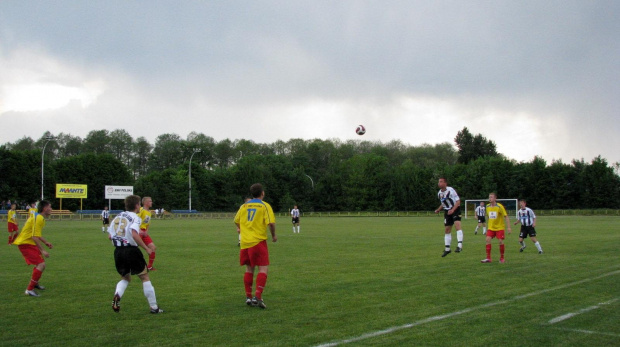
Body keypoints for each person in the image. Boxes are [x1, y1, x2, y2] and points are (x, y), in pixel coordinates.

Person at [108, 195, 163, 314]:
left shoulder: (118, 216)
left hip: (118, 251)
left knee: (125, 278)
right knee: (144, 277)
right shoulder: (135, 217)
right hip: (131, 250)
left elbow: (110, 236)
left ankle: (117, 295)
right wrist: (146, 248)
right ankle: (154, 307)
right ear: (137, 205)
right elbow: (134, 234)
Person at [234, 183, 277, 309]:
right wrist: (274, 236)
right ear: (262, 193)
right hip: (258, 241)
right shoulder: (265, 206)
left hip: (245, 243)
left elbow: (236, 220)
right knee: (263, 269)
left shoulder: (244, 206)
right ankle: (257, 296)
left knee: (249, 269)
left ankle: (248, 296)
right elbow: (271, 223)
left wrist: (241, 229)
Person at [13, 200, 53, 296]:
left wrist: (45, 242)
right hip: (25, 243)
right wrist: (43, 250)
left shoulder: (40, 218)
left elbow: (36, 234)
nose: (51, 209)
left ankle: (35, 284)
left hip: (29, 242)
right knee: (41, 264)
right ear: (45, 208)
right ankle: (29, 289)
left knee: (41, 265)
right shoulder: (38, 218)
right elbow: (34, 237)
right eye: (50, 207)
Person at [434, 177, 464, 257]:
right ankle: (447, 249)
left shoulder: (451, 190)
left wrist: (453, 210)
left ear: (445, 183)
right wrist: (438, 210)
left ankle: (459, 245)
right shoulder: (439, 193)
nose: (439, 183)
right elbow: (444, 203)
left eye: (441, 182)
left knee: (457, 226)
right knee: (447, 230)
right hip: (447, 211)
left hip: (455, 209)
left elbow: (458, 201)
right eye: (439, 182)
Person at [481, 192, 511, 263]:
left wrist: (508, 227)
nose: (490, 198)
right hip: (491, 228)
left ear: (495, 198)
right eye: (489, 197)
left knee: (500, 241)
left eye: (491, 197)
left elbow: (506, 216)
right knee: (487, 240)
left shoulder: (499, 206)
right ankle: (488, 258)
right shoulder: (487, 207)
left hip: (499, 228)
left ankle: (502, 258)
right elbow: (488, 216)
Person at [138, 196, 157, 271]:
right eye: (150, 201)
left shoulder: (149, 212)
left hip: (144, 232)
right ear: (145, 203)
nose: (151, 202)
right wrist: (139, 230)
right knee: (134, 249)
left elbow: (148, 223)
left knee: (153, 247)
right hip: (138, 231)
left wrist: (146, 231)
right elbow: (136, 220)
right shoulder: (141, 210)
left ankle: (149, 266)